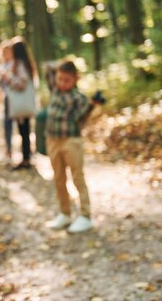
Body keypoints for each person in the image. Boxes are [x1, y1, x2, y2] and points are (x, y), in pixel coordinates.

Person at [44, 60, 99, 234]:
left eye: (66, 80)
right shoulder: (55, 90)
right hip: (53, 140)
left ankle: (85, 215)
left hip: (71, 141)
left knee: (77, 177)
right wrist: (59, 66)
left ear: (76, 79)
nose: (62, 83)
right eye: (59, 78)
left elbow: (80, 119)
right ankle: (65, 212)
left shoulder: (79, 98)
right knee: (58, 178)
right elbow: (47, 69)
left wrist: (92, 105)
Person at [0, 37, 38, 170]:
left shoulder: (20, 64)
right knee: (25, 131)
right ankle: (26, 157)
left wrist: (8, 77)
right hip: (25, 103)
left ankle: (26, 159)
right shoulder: (27, 63)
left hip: (21, 103)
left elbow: (21, 84)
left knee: (24, 131)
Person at [0, 40, 14, 162]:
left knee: (22, 125)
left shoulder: (16, 64)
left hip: (17, 98)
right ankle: (8, 150)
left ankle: (27, 152)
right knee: (7, 125)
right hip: (7, 98)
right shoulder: (1, 66)